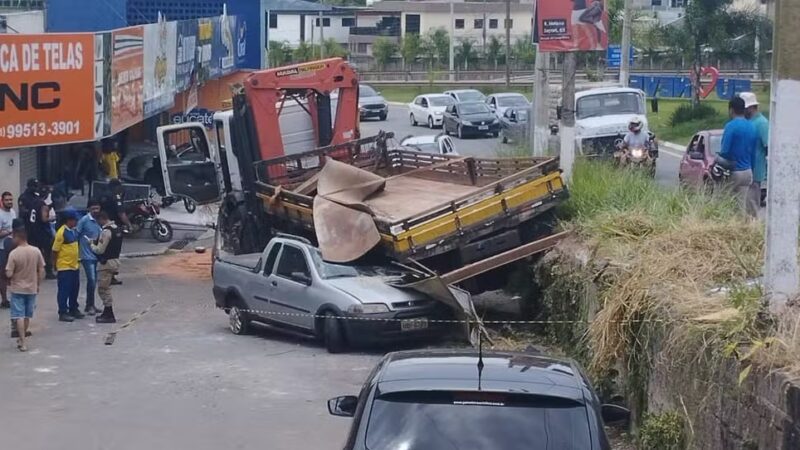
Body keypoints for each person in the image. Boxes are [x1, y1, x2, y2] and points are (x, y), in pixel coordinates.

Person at [6, 227, 45, 352]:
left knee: (18, 316)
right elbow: (41, 269)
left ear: (18, 237)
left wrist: (8, 273)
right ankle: (23, 339)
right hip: (32, 288)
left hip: (17, 288)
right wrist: (38, 283)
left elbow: (9, 274)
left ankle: (22, 341)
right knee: (27, 315)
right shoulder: (36, 251)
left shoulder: (14, 253)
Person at [718, 96, 758, 217]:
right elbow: (754, 153)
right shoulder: (752, 126)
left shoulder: (731, 126)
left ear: (731, 110)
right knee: (741, 206)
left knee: (725, 204)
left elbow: (725, 151)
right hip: (748, 171)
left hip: (734, 172)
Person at [90, 211, 123, 323]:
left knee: (103, 288)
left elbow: (100, 250)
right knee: (106, 287)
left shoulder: (106, 231)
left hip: (106, 263)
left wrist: (91, 245)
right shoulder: (117, 228)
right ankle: (107, 312)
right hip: (115, 261)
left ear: (101, 219)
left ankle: (109, 313)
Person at [19, 179, 55, 279]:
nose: (35, 188)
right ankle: (35, 271)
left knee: (45, 251)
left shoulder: (36, 198)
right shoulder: (24, 198)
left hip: (37, 228)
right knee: (37, 251)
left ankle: (47, 270)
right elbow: (24, 213)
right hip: (33, 228)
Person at [52, 207, 83, 322]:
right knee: (64, 290)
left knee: (74, 289)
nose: (76, 222)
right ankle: (63, 311)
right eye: (75, 220)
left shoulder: (73, 230)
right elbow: (55, 250)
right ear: (69, 220)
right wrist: (55, 264)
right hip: (65, 266)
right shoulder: (61, 233)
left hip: (74, 265)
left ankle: (73, 308)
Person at [741, 92, 769, 207]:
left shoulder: (762, 123)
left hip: (755, 171)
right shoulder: (747, 122)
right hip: (744, 169)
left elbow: (768, 146)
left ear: (751, 108)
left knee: (751, 204)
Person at [100, 179, 130, 285]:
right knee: (113, 253)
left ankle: (104, 275)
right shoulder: (115, 196)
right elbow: (121, 214)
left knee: (105, 251)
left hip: (103, 227)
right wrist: (129, 225)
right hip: (114, 228)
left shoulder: (102, 195)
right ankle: (110, 277)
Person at [77, 199, 103, 315]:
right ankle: (89, 305)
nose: (95, 211)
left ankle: (91, 304)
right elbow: (76, 234)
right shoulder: (84, 221)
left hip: (96, 254)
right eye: (93, 209)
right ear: (89, 209)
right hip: (86, 256)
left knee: (94, 281)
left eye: (97, 208)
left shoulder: (99, 220)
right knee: (91, 280)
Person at [0, 191, 17, 308]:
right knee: (2, 274)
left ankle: (13, 298)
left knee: (12, 274)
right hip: (2, 248)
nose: (9, 202)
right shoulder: (0, 215)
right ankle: (4, 299)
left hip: (13, 247)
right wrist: (10, 231)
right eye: (7, 200)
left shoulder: (13, 212)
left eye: (11, 200)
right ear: (2, 201)